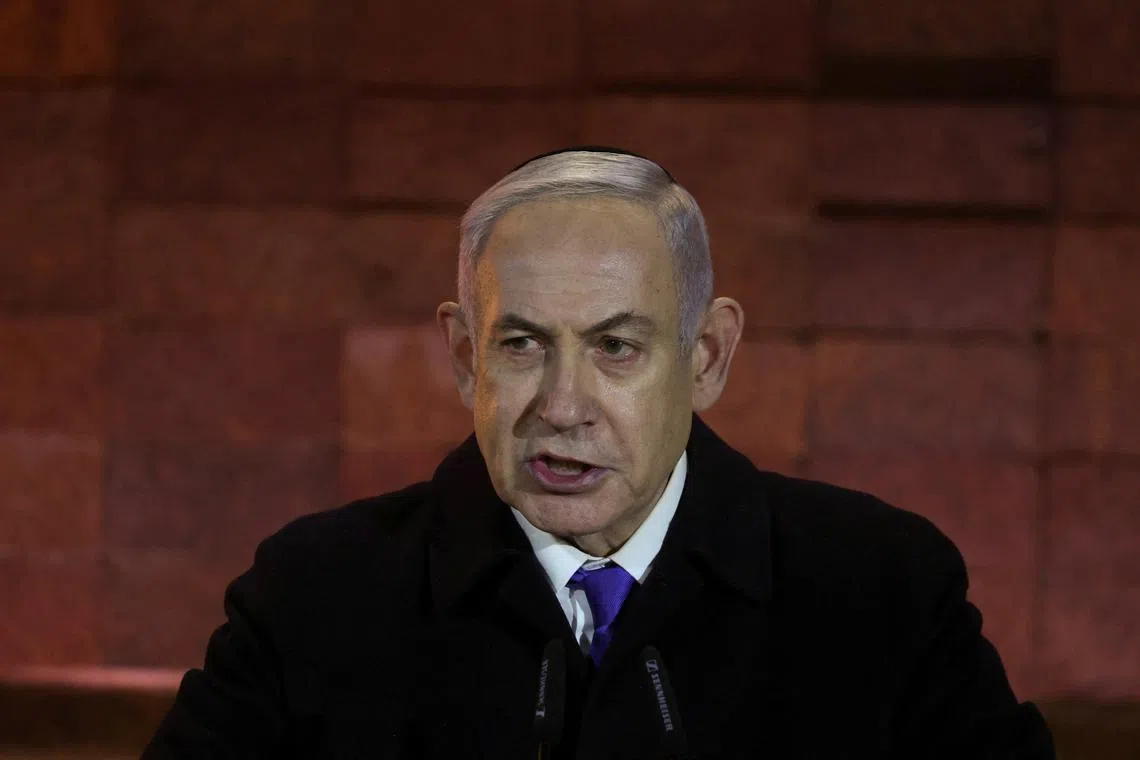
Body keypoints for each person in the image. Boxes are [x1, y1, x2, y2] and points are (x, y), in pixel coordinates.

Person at [142, 148, 1055, 759]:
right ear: (465, 357)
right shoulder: (312, 596)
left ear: (707, 357)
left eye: (616, 347)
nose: (563, 406)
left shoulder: (885, 589)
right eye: (521, 345)